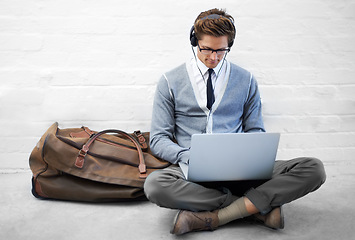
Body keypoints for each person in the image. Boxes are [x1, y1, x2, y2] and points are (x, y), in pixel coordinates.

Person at [144, 8, 326, 235]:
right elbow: (159, 139)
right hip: (191, 170)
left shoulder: (246, 79)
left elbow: (255, 129)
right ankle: (253, 206)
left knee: (313, 168)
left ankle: (217, 215)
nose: (213, 57)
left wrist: (253, 154)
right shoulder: (169, 81)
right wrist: (186, 155)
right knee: (154, 186)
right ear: (194, 41)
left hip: (241, 170)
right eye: (206, 49)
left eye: (221, 50)